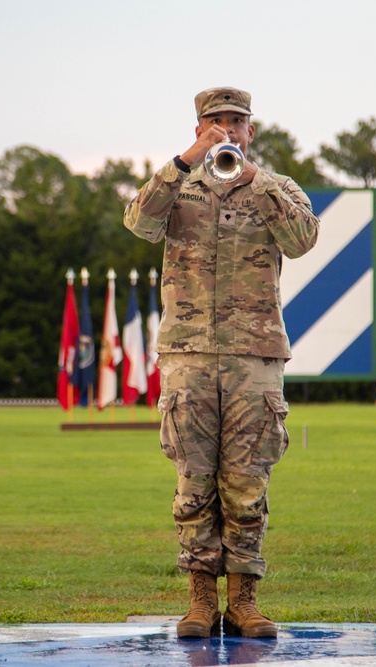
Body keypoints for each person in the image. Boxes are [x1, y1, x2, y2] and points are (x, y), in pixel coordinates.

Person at [123, 87, 320, 639]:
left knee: (246, 484)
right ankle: (200, 603)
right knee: (193, 483)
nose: (227, 130)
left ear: (251, 132)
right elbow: (138, 222)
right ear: (198, 130)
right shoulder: (176, 184)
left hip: (254, 357)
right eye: (216, 123)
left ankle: (245, 602)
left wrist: (253, 177)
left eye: (237, 122)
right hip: (188, 354)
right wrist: (187, 163)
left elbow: (303, 240)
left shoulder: (275, 187)